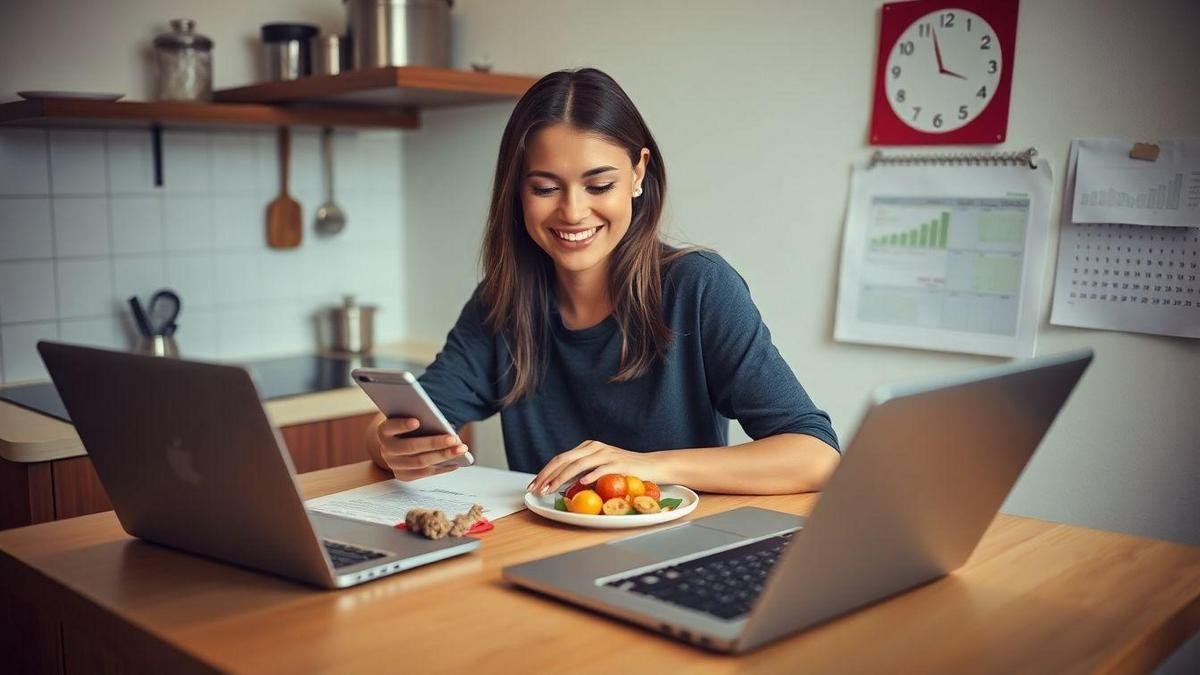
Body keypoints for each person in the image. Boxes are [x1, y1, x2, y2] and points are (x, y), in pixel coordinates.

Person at [366, 67, 839, 496]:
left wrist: (646, 468)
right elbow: (409, 422)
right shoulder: (503, 300)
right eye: (545, 188)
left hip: (675, 554)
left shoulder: (698, 287)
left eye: (599, 185)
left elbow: (815, 455)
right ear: (517, 190)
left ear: (638, 174)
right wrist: (386, 443)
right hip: (541, 553)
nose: (572, 211)